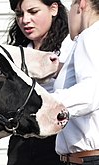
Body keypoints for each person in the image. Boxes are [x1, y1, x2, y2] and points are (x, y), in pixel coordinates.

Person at [6, 0, 72, 165]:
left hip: (59, 141)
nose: (25, 20)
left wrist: (54, 68)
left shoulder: (71, 47)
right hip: (21, 141)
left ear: (54, 9)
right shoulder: (18, 51)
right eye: (19, 14)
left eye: (33, 12)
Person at [51, 0, 99, 164]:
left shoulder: (90, 35)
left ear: (82, 4)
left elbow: (90, 92)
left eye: (70, 6)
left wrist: (44, 103)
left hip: (88, 158)